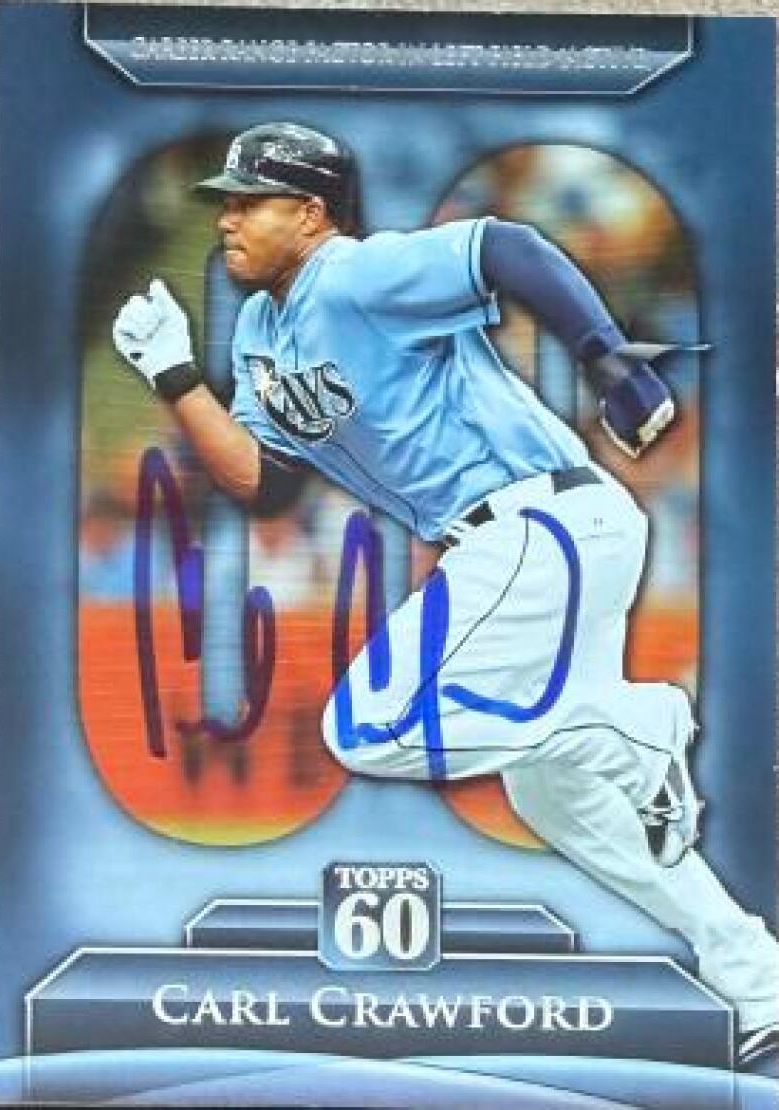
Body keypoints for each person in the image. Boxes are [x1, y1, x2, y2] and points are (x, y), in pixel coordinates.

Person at [113, 122, 779, 1067]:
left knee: (366, 728)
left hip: (536, 523)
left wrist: (607, 359)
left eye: (249, 201)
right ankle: (755, 972)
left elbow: (506, 248)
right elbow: (269, 485)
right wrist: (178, 379)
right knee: (553, 799)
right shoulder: (262, 327)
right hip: (532, 541)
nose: (228, 219)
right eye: (225, 202)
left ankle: (638, 728)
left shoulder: (354, 274)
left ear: (311, 213)